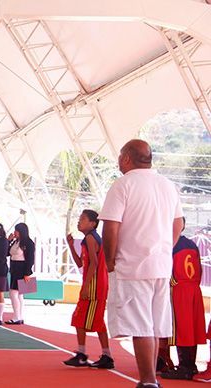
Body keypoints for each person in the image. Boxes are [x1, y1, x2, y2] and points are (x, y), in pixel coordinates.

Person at [99, 139, 183, 388]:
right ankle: (151, 379)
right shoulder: (167, 185)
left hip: (133, 265)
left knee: (141, 325)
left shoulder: (123, 184)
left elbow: (111, 227)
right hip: (160, 265)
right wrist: (164, 248)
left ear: (126, 158)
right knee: (154, 324)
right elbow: (178, 224)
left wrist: (110, 260)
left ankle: (147, 381)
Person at [63, 210, 113, 369]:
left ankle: (92, 355)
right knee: (85, 319)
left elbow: (95, 263)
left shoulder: (91, 238)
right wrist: (71, 246)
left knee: (87, 319)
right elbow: (80, 263)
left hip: (94, 286)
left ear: (93, 223)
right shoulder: (87, 239)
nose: (79, 222)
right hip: (94, 284)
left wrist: (86, 287)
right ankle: (92, 354)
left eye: (83, 219)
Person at [158, 219, 205, 381]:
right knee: (191, 328)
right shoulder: (192, 244)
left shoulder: (170, 244)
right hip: (193, 288)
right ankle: (190, 365)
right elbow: (199, 268)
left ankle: (184, 367)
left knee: (181, 329)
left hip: (178, 288)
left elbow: (165, 269)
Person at [5, 222, 34, 325]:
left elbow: (30, 259)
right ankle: (19, 316)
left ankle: (16, 316)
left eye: (16, 231)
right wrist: (9, 241)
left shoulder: (29, 243)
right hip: (14, 268)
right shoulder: (16, 241)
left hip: (22, 269)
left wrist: (27, 273)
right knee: (19, 294)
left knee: (13, 293)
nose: (15, 232)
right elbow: (7, 252)